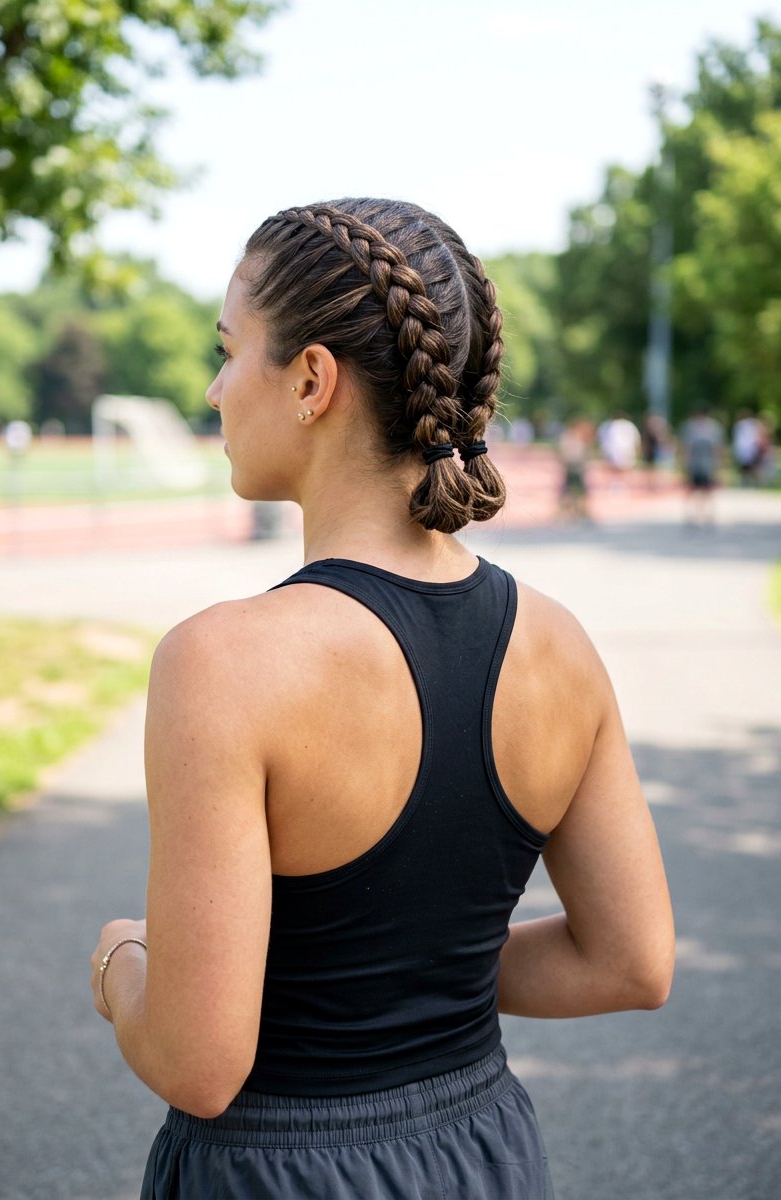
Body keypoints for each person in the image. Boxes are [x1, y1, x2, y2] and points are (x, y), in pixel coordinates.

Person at [90, 199, 674, 1199]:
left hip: (279, 1172)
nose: (213, 387)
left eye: (228, 351)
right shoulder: (558, 647)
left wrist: (117, 966)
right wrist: (418, 973)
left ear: (312, 379)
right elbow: (629, 962)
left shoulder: (221, 664)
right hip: (481, 1151)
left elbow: (198, 1061)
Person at [680, 405, 725, 526]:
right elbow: (687, 446)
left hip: (707, 462)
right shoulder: (690, 427)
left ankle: (708, 513)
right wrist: (686, 462)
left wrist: (717, 463)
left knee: (707, 489)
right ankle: (691, 513)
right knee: (692, 488)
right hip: (695, 462)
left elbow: (717, 447)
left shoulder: (713, 428)